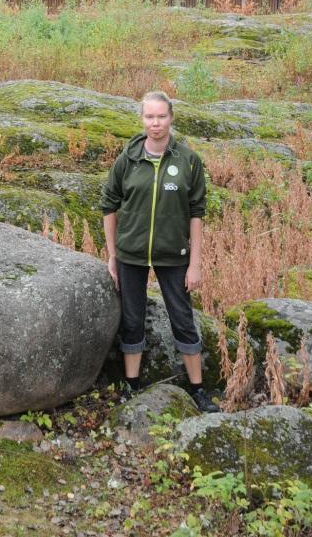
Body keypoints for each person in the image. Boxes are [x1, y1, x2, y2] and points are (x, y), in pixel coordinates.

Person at [100, 90, 219, 413]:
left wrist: (195, 264)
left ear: (171, 118)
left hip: (174, 255)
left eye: (161, 116)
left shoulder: (187, 160)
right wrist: (113, 255)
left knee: (183, 320)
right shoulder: (127, 159)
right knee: (132, 320)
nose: (156, 123)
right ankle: (132, 387)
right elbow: (108, 206)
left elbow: (197, 213)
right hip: (131, 255)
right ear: (142, 119)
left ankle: (197, 390)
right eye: (150, 117)